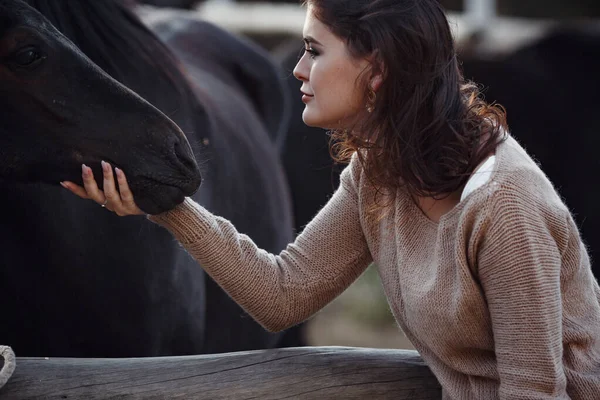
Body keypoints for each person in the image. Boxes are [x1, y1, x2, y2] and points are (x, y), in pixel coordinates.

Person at [61, 0, 600, 398]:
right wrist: (164, 204)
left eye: (315, 51)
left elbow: (534, 392)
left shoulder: (504, 206)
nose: (296, 69)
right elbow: (281, 294)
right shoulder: (379, 173)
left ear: (378, 70)